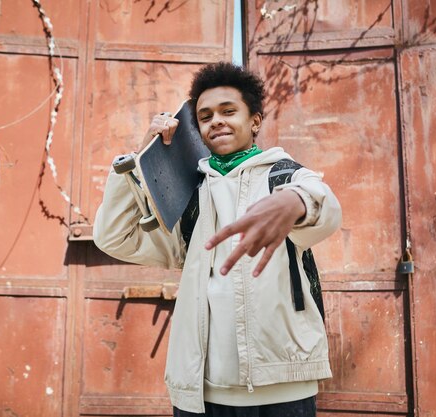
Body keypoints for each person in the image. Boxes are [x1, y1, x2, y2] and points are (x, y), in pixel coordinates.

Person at [93, 62, 342, 417]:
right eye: (205, 116)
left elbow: (326, 209)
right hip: (203, 392)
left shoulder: (284, 176)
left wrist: (294, 201)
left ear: (255, 120)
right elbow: (114, 237)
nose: (217, 121)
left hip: (283, 386)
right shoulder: (188, 198)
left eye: (229, 111)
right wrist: (138, 158)